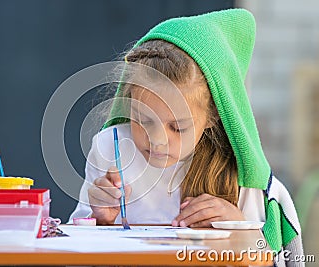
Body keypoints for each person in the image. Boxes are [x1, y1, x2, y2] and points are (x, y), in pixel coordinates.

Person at [69, 8, 303, 266]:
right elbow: (74, 254)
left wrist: (238, 228)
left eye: (177, 127)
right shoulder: (109, 147)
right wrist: (100, 220)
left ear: (212, 115)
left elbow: (267, 260)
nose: (158, 140)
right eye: (144, 120)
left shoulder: (236, 168)